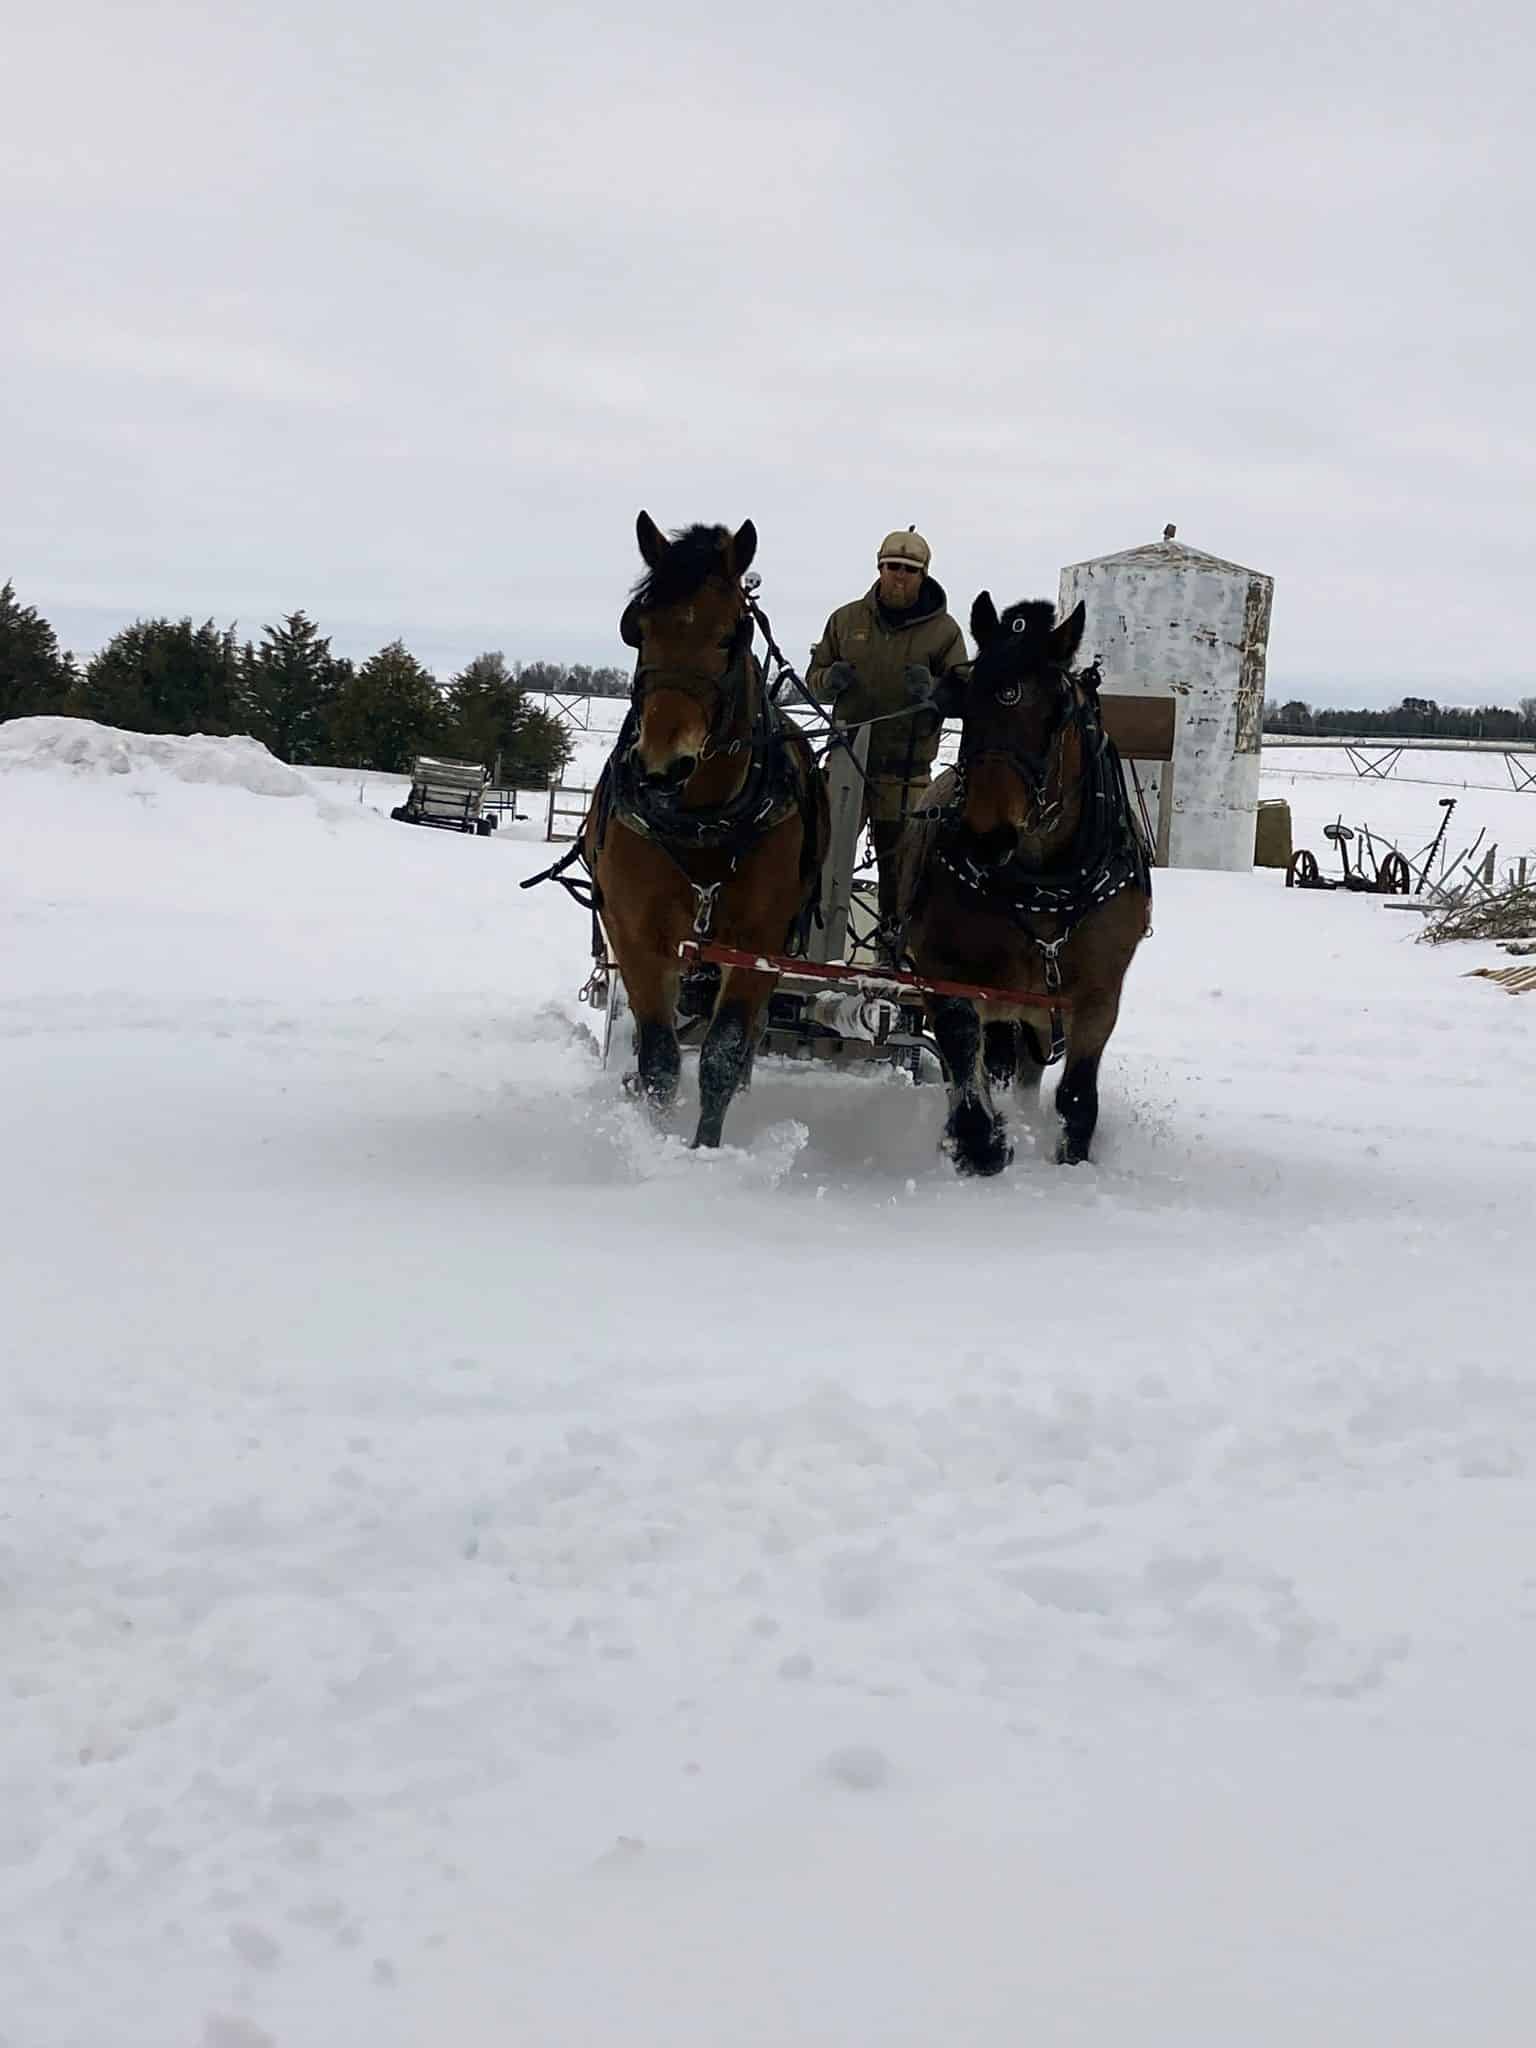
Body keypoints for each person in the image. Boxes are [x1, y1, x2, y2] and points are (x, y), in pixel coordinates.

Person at [806, 527, 968, 947]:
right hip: (844, 762)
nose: (899, 576)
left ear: (924, 574)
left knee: (901, 868)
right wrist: (829, 679)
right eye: (892, 567)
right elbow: (813, 678)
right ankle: (807, 937)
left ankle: (894, 945)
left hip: (907, 771)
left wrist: (934, 691)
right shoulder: (845, 620)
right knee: (820, 854)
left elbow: (964, 695)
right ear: (879, 568)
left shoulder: (945, 631)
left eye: (910, 570)